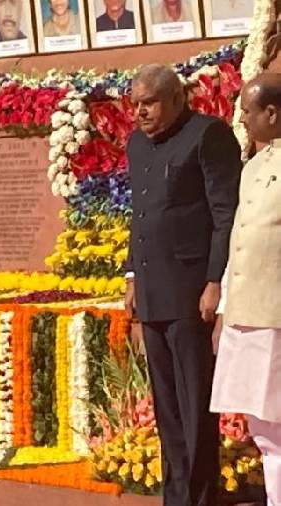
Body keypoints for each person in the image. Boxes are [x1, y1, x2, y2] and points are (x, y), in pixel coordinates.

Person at [124, 64, 241, 506]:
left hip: (192, 293)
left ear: (176, 98)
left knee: (195, 406)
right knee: (167, 407)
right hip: (152, 290)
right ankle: (176, 497)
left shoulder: (207, 135)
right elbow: (139, 214)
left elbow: (225, 214)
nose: (140, 112)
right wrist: (132, 276)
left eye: (149, 103)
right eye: (136, 104)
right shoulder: (137, 144)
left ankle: (201, 497)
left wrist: (216, 281)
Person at [211, 73, 281, 506]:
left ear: (272, 113)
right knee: (262, 427)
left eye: (247, 112)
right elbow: (238, 241)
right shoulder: (252, 165)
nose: (241, 120)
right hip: (246, 314)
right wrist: (224, 308)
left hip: (275, 315)